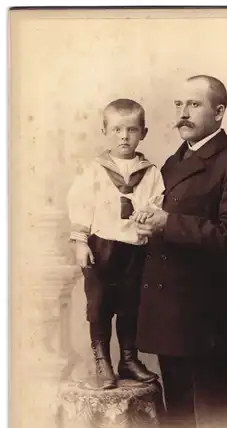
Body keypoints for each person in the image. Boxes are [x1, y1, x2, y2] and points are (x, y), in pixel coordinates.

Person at [131, 75, 227, 428]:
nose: (182, 113)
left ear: (219, 112)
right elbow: (167, 225)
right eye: (179, 104)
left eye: (194, 104)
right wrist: (149, 228)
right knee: (177, 418)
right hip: (168, 313)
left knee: (211, 419)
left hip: (207, 318)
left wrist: (167, 224)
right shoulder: (172, 163)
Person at [67, 98, 164, 390]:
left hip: (134, 248)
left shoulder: (150, 172)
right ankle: (102, 361)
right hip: (101, 247)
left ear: (143, 133)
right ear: (105, 131)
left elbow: (157, 200)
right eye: (118, 130)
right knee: (99, 305)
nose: (124, 136)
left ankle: (128, 359)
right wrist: (81, 243)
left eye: (132, 130)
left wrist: (150, 213)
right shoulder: (94, 170)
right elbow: (81, 204)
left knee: (130, 305)